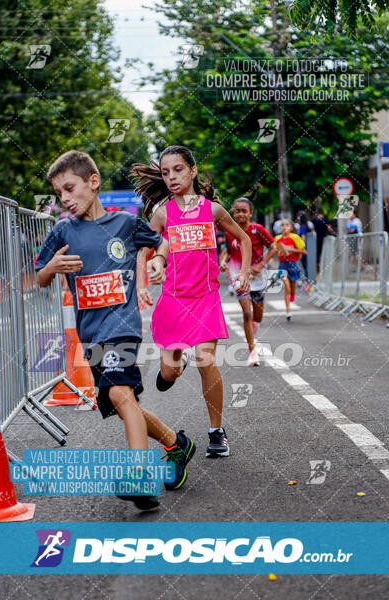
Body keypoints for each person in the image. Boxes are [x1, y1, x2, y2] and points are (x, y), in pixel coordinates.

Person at [35, 150, 195, 511]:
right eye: (59, 193)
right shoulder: (62, 231)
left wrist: (157, 260)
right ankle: (175, 444)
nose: (65, 199)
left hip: (122, 327)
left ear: (93, 183)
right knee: (125, 405)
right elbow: (39, 275)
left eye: (70, 188)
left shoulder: (124, 223)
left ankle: (140, 476)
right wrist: (52, 268)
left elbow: (161, 242)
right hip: (90, 334)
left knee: (122, 394)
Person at [132, 145, 251, 458]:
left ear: (193, 171)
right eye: (166, 172)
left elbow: (244, 239)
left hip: (206, 297)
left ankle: (216, 432)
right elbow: (144, 250)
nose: (171, 177)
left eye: (178, 170)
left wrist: (245, 274)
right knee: (169, 373)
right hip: (173, 300)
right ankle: (177, 362)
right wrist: (143, 284)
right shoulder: (162, 214)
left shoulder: (212, 210)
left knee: (206, 359)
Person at [220, 195, 275, 366]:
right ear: (233, 213)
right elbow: (228, 252)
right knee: (246, 312)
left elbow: (273, 247)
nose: (240, 214)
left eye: (244, 211)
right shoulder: (230, 232)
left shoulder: (257, 230)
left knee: (257, 316)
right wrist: (223, 261)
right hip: (238, 276)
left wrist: (262, 264)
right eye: (237, 211)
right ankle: (252, 351)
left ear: (250, 213)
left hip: (257, 277)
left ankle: (253, 326)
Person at [274, 219, 308, 321]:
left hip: (293, 265)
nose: (285, 227)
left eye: (287, 225)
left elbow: (304, 252)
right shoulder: (277, 239)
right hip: (282, 265)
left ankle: (293, 294)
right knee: (287, 287)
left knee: (292, 287)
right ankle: (288, 311)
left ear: (291, 228)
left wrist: (291, 249)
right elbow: (275, 251)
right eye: (282, 225)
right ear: (280, 228)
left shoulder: (295, 238)